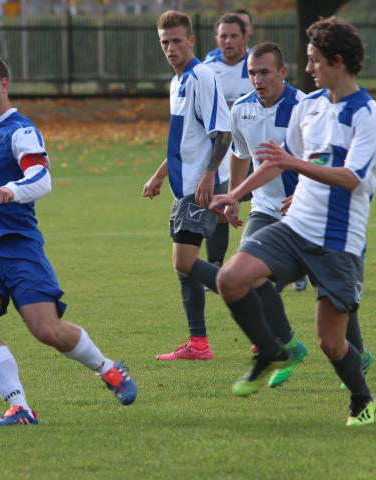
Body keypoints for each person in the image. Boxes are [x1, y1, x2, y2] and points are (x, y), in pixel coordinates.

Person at [210, 17, 376, 426]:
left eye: (315, 61)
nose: (309, 69)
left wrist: (295, 163)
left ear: (337, 62)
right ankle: (272, 350)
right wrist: (235, 194)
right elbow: (278, 162)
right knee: (230, 278)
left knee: (332, 343)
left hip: (338, 240)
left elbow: (352, 178)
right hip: (294, 227)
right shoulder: (311, 106)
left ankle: (361, 398)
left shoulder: (366, 113)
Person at [0, 54, 137, 429]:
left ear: (4, 85)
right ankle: (18, 407)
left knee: (46, 330)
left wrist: (9, 189)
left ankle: (109, 369)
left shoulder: (21, 131)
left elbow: (42, 179)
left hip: (18, 247)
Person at [143, 10, 232, 361]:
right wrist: (160, 174)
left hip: (200, 187)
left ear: (192, 41)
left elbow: (222, 133)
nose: (170, 48)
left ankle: (249, 292)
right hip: (186, 187)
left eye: (177, 40)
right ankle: (198, 344)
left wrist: (208, 176)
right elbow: (186, 141)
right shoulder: (176, 82)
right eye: (165, 42)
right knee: (185, 264)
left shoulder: (201, 76)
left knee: (184, 261)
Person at [224, 41, 309, 387]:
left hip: (308, 213)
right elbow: (240, 152)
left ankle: (357, 354)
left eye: (264, 72)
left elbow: (320, 158)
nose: (257, 79)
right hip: (265, 209)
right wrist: (233, 196)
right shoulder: (241, 109)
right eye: (252, 73)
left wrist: (304, 192)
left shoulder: (304, 107)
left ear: (282, 72)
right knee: (245, 273)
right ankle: (286, 346)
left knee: (332, 300)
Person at [202, 13, 254, 277]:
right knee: (221, 207)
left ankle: (291, 264)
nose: (228, 41)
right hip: (224, 150)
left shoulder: (258, 64)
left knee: (272, 205)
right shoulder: (208, 68)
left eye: (234, 35)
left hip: (258, 149)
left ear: (246, 37)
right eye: (223, 36)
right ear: (216, 39)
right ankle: (215, 265)